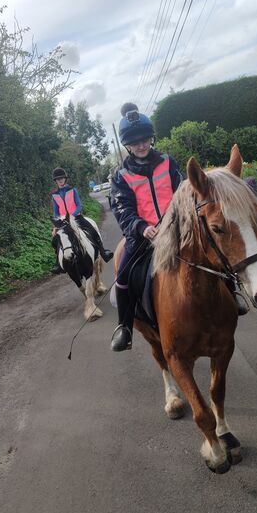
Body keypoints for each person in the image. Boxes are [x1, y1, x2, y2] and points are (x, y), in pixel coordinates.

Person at [110, 103, 183, 351]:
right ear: (127, 145)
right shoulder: (121, 176)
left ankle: (232, 292)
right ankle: (125, 327)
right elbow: (122, 210)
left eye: (144, 139)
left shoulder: (167, 162)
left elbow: (182, 191)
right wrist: (141, 227)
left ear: (151, 138)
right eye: (134, 141)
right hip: (143, 237)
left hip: (176, 227)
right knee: (123, 275)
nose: (141, 145)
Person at [50, 167, 113, 274]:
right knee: (55, 240)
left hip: (77, 218)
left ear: (65, 179)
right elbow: (56, 211)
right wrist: (56, 223)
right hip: (62, 222)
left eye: (62, 178)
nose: (60, 180)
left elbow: (79, 205)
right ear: (55, 181)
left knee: (92, 229)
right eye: (58, 179)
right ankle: (58, 264)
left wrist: (72, 216)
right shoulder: (54, 195)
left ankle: (103, 251)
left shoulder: (72, 190)